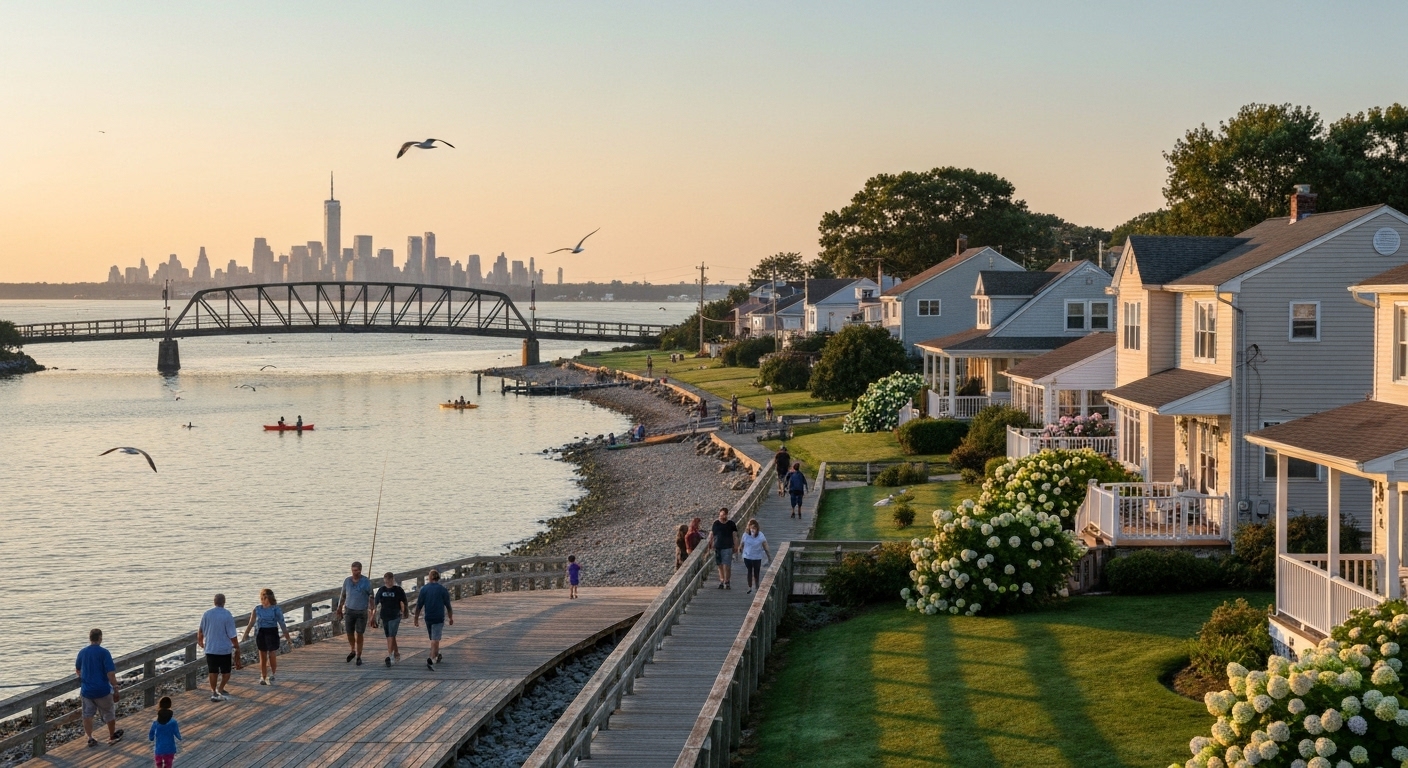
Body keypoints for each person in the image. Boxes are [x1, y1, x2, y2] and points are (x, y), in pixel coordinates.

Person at [75, 628, 123, 746]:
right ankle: (111, 736)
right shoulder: (104, 653)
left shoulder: (82, 652)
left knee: (87, 715)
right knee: (109, 712)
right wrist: (115, 688)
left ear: (90, 638)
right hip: (102, 690)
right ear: (100, 638)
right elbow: (110, 673)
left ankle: (90, 737)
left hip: (87, 690)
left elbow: (78, 669)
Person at [241, 588, 291, 685]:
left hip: (270, 632)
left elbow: (282, 624)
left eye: (265, 598)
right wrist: (245, 634)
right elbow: (251, 623)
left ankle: (270, 674)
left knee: (271, 654)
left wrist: (287, 637)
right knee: (264, 655)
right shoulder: (259, 609)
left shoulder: (273, 609)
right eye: (263, 598)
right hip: (263, 632)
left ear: (268, 598)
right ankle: (265, 676)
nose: (263, 600)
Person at [197, 594, 241, 702]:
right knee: (226, 672)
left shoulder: (207, 614)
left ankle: (214, 691)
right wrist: (236, 646)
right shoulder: (227, 615)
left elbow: (200, 631)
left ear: (214, 602)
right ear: (224, 602)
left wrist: (201, 642)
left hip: (211, 648)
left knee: (213, 671)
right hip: (224, 649)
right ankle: (220, 688)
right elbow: (232, 634)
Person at [334, 561, 374, 666]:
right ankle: (352, 649)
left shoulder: (366, 582)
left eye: (356, 570)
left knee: (359, 633)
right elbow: (343, 595)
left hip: (361, 611)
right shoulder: (347, 581)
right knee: (349, 632)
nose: (354, 572)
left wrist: (372, 612)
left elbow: (371, 597)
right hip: (349, 610)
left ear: (360, 570)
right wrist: (339, 608)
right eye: (352, 570)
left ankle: (359, 656)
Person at [414, 569, 454, 670]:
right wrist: (450, 617)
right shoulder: (443, 589)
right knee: (435, 639)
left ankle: (432, 658)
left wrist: (416, 619)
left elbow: (419, 605)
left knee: (434, 639)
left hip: (428, 617)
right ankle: (434, 656)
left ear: (430, 577)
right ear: (438, 578)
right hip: (438, 617)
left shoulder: (424, 589)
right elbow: (448, 605)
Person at [371, 572, 409, 667]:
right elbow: (375, 604)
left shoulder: (398, 590)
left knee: (391, 635)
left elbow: (404, 602)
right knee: (389, 635)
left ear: (393, 580)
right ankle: (396, 653)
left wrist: (404, 612)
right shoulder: (381, 590)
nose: (388, 583)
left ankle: (390, 656)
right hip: (384, 616)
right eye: (386, 581)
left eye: (389, 581)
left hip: (395, 615)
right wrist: (372, 616)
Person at [707, 507, 740, 590]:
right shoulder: (716, 524)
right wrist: (710, 545)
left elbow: (735, 535)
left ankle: (727, 581)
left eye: (723, 515)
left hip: (728, 547)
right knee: (720, 565)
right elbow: (711, 534)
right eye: (720, 515)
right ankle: (721, 581)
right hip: (718, 547)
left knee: (727, 565)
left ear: (726, 515)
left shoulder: (731, 524)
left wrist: (736, 546)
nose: (721, 517)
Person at [740, 519, 772, 594]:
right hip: (747, 556)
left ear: (757, 528)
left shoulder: (761, 535)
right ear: (749, 528)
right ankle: (750, 587)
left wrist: (769, 556)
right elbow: (742, 543)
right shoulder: (745, 535)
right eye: (751, 528)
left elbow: (765, 545)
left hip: (757, 557)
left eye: (754, 528)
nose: (753, 529)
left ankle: (757, 585)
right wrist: (740, 549)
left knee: (756, 571)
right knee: (749, 570)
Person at [148, 696, 181, 768]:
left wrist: (151, 738)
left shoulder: (156, 722)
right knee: (168, 764)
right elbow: (177, 733)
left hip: (159, 749)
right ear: (170, 705)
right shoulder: (173, 722)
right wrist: (180, 737)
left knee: (158, 764)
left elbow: (151, 733)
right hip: (170, 748)